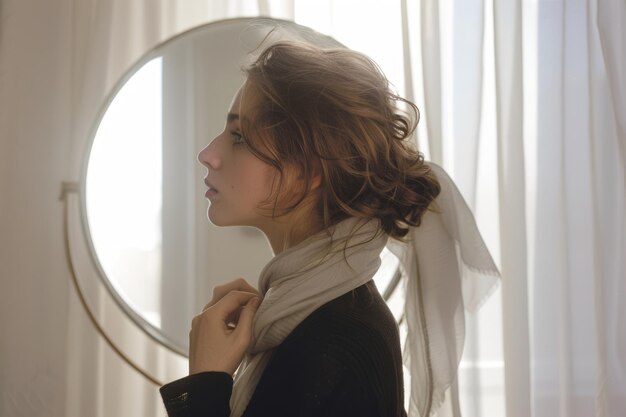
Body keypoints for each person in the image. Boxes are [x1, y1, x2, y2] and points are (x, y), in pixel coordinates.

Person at [159, 40, 498, 417]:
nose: (208, 153)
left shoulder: (336, 342)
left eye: (239, 137)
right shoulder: (312, 315)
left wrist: (205, 383)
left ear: (310, 171)